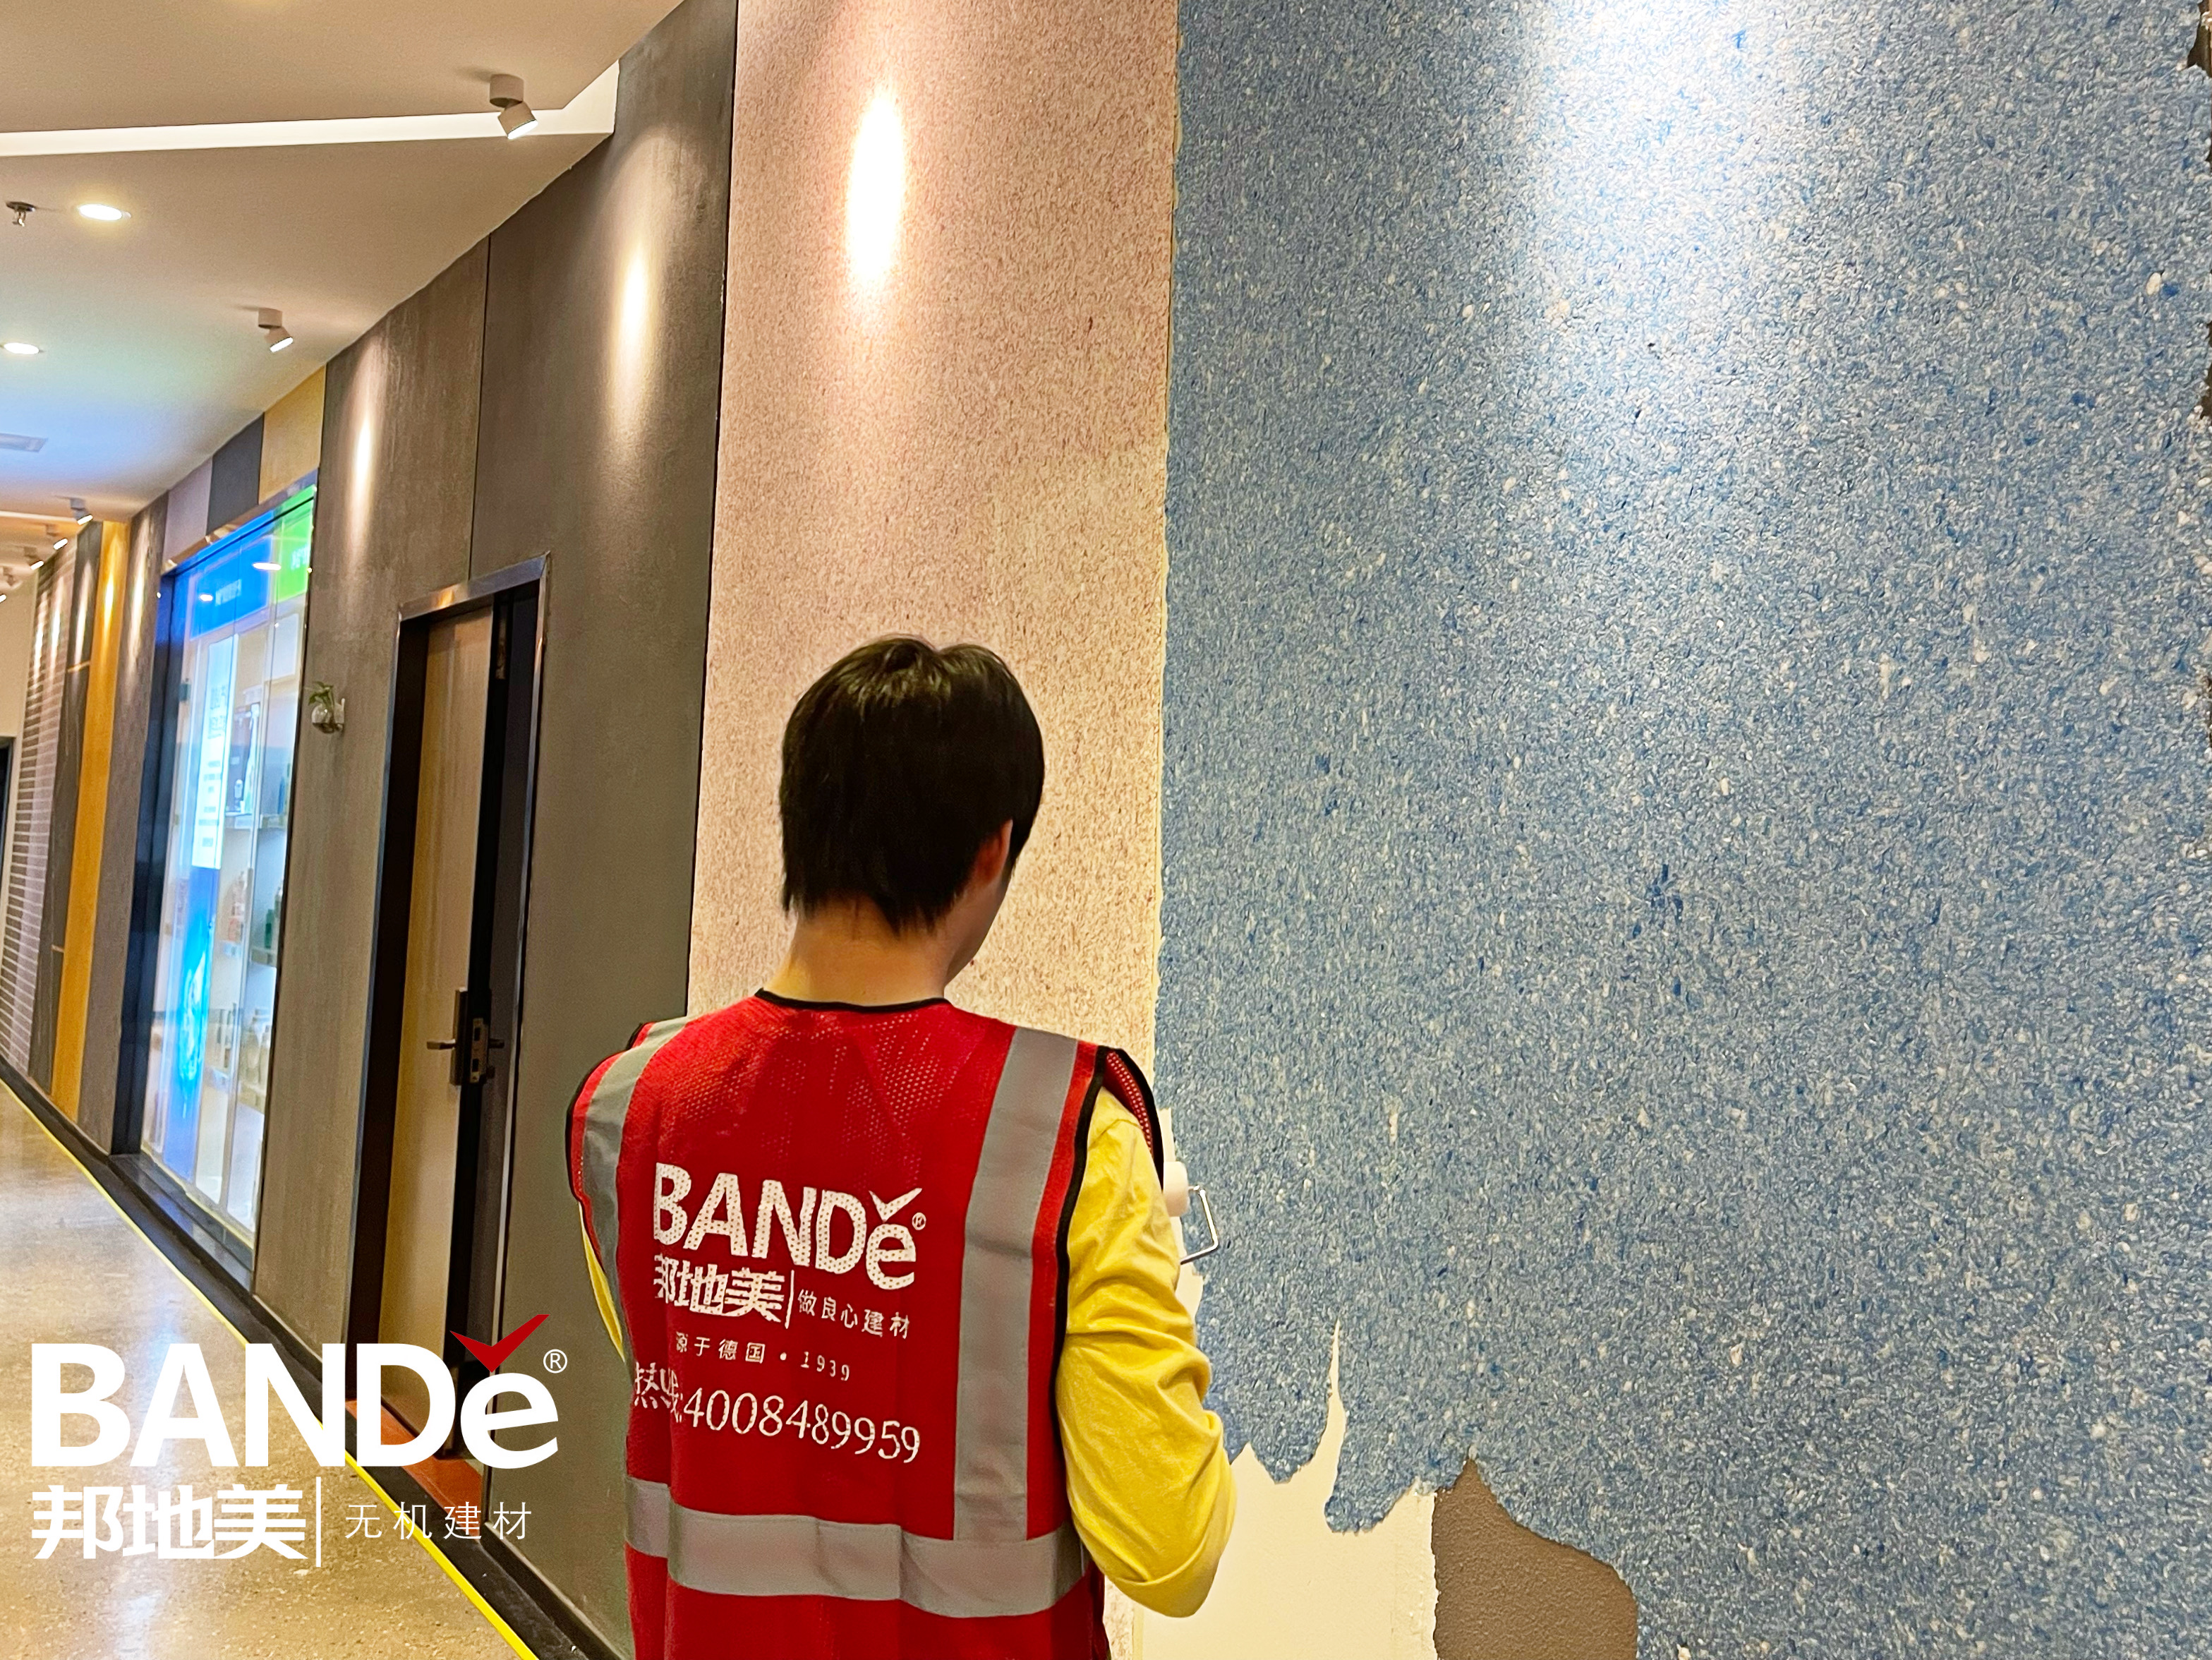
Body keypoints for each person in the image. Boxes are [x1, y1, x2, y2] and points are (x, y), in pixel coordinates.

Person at [569, 637, 1234, 1659]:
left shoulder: (627, 1106)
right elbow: (1167, 1555)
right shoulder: (1068, 1137)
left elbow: (700, 1380)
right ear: (992, 850)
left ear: (799, 823)